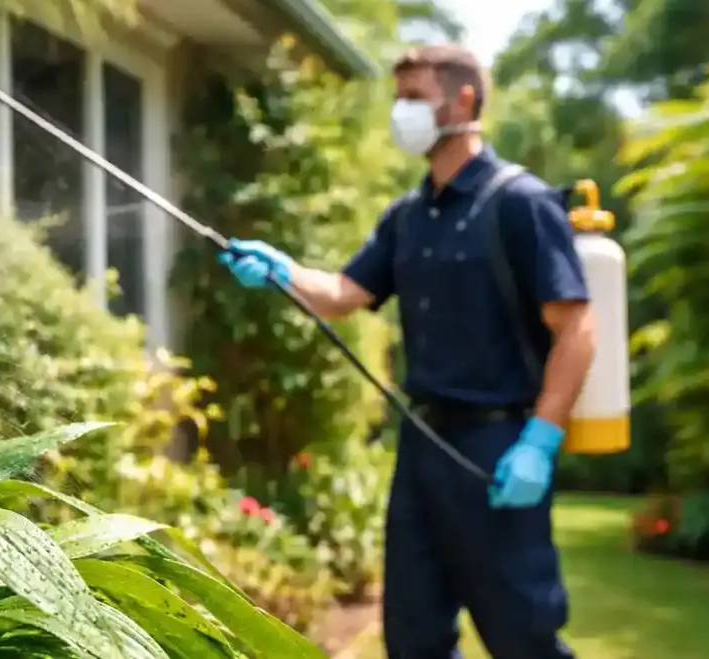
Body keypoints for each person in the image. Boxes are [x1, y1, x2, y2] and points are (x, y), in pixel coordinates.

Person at [217, 44, 596, 659]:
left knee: (523, 637)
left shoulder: (519, 203)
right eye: (399, 99)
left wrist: (541, 441)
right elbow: (343, 293)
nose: (401, 112)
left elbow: (577, 328)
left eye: (415, 98)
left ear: (464, 101)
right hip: (421, 450)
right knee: (414, 637)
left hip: (497, 451)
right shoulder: (408, 215)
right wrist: (282, 270)